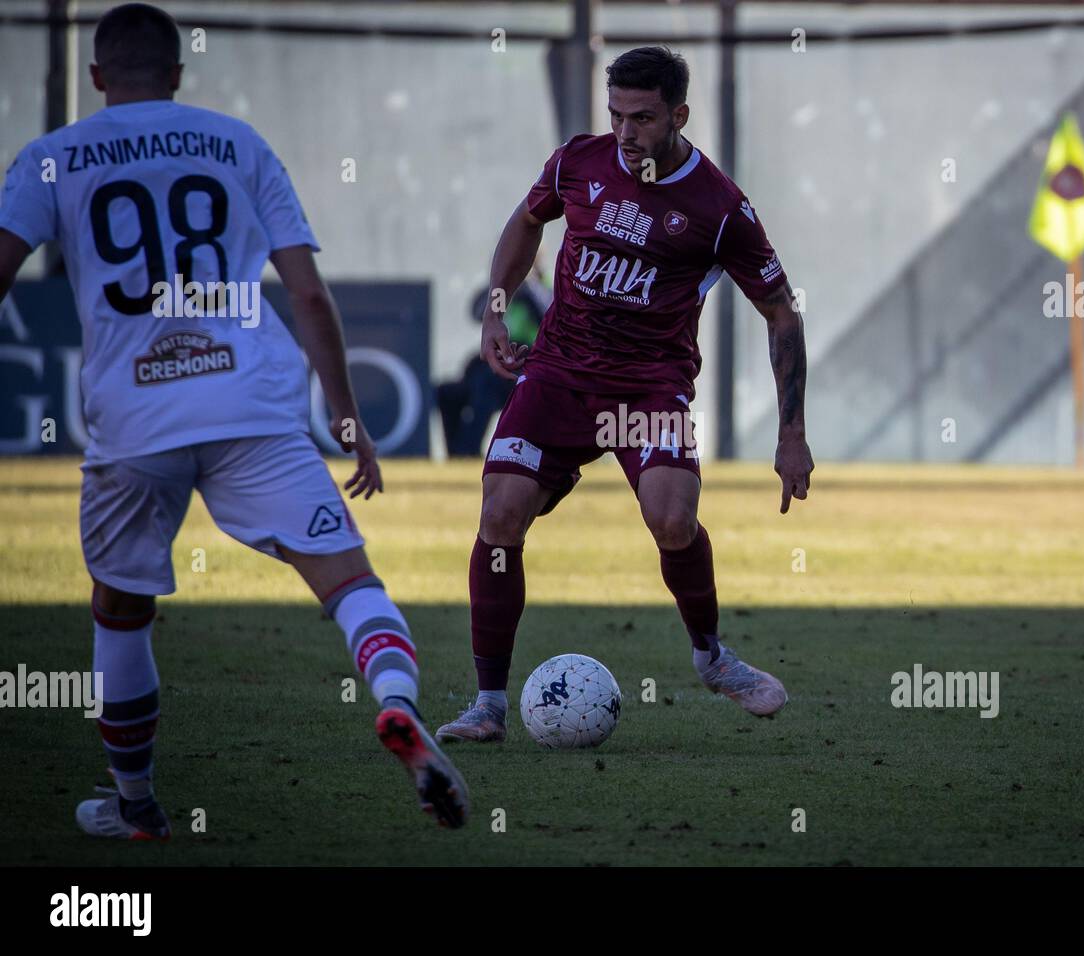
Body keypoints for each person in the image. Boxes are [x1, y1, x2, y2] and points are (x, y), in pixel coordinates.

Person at [0, 3, 468, 836]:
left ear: (99, 75)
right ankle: (398, 706)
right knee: (350, 582)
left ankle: (137, 808)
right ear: (179, 74)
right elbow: (309, 293)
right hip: (254, 402)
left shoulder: (51, 158)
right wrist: (347, 413)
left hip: (135, 419)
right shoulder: (237, 144)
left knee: (120, 610)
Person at [436, 46, 814, 744]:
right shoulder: (576, 163)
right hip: (557, 375)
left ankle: (712, 659)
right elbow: (527, 221)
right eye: (615, 115)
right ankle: (488, 705)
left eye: (642, 118)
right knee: (499, 517)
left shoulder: (720, 207)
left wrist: (791, 432)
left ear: (679, 115)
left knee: (673, 520)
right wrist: (497, 306)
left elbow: (782, 311)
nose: (625, 132)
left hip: (649, 388)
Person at [436, 272, 546, 457]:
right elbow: (477, 313)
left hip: (527, 363)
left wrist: (527, 291)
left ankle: (468, 450)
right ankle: (455, 453)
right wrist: (499, 287)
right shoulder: (503, 294)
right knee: (447, 392)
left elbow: (545, 317)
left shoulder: (546, 287)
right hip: (495, 359)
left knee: (486, 385)